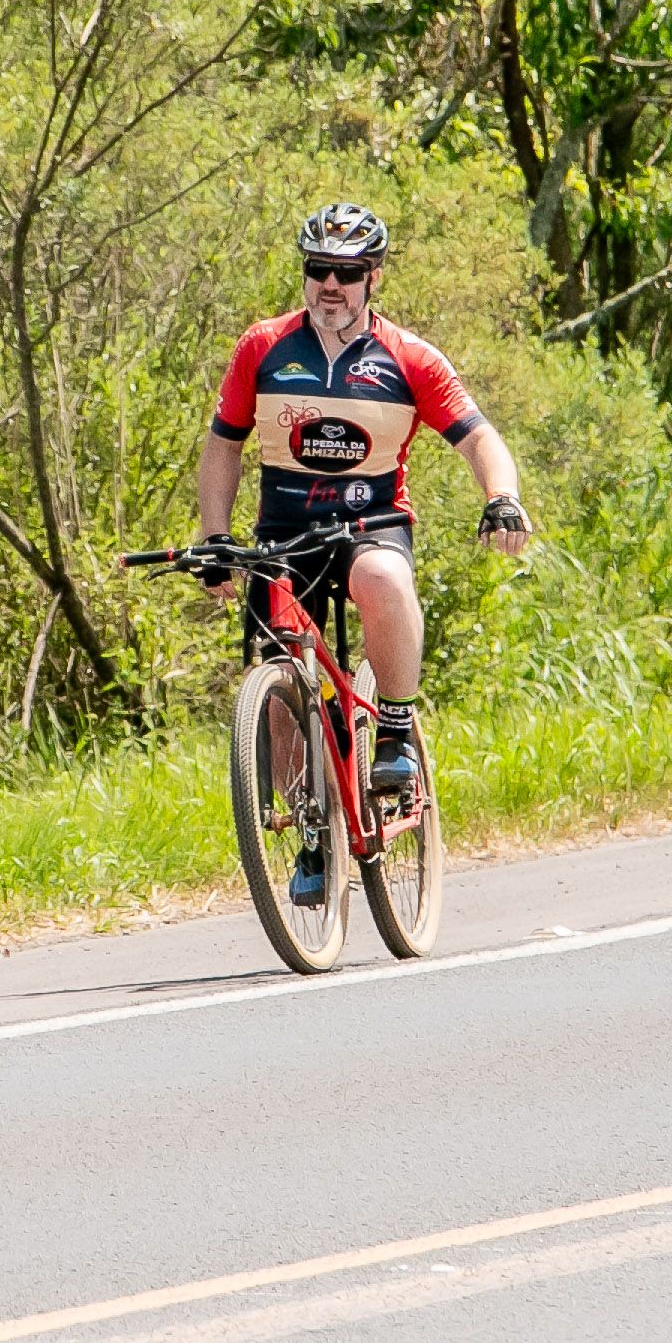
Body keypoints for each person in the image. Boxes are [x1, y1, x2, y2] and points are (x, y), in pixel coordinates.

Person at [199, 204, 532, 896]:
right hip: (283, 536)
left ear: (373, 278)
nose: (331, 284)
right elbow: (224, 444)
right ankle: (311, 834)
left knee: (382, 578)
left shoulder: (408, 358)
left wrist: (502, 497)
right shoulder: (262, 348)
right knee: (281, 690)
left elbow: (479, 437)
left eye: (347, 273)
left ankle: (396, 732)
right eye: (318, 269)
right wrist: (214, 537)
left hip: (369, 523)